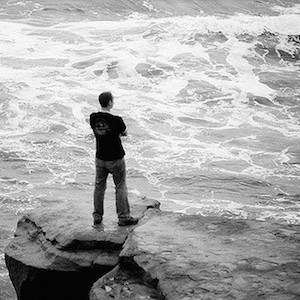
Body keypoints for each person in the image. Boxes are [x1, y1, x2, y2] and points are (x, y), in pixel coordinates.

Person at [90, 92, 138, 226]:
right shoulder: (117, 120)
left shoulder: (93, 117)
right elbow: (124, 132)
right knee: (120, 186)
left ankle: (97, 216)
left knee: (99, 187)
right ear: (110, 103)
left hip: (100, 158)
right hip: (115, 158)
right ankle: (123, 217)